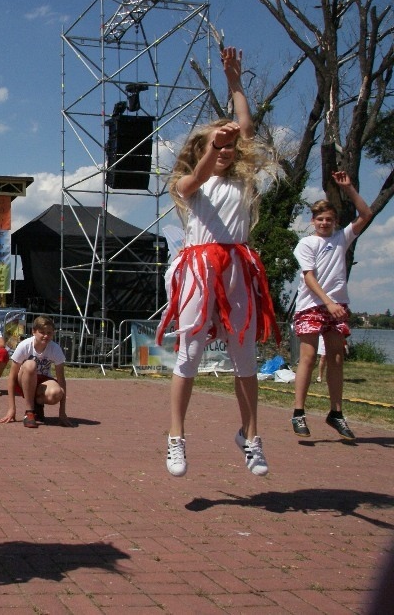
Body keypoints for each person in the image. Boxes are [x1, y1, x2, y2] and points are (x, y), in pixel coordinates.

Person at [156, 46, 279, 478]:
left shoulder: (242, 182)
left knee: (244, 358)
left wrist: (234, 83)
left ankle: (251, 436)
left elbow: (245, 126)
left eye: (229, 147)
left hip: (237, 268)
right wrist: (215, 145)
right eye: (215, 146)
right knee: (187, 354)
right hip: (199, 270)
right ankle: (176, 436)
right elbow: (197, 176)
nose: (226, 150)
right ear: (202, 149)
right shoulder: (190, 184)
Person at [290, 173, 371, 440]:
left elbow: (366, 214)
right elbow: (309, 277)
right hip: (312, 305)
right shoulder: (306, 244)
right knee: (309, 357)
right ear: (313, 222)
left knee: (336, 357)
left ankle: (336, 412)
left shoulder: (341, 239)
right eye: (320, 219)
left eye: (329, 219)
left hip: (337, 306)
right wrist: (327, 302)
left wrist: (349, 189)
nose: (324, 223)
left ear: (335, 222)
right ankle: (299, 412)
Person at [0, 316, 73, 428]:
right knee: (30, 364)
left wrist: (62, 412)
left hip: (43, 380)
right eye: (42, 332)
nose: (46, 336)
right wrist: (11, 408)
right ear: (33, 332)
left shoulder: (55, 349)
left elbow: (61, 380)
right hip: (24, 379)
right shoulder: (24, 346)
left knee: (57, 393)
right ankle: (29, 412)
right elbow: (12, 377)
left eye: (49, 333)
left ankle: (37, 403)